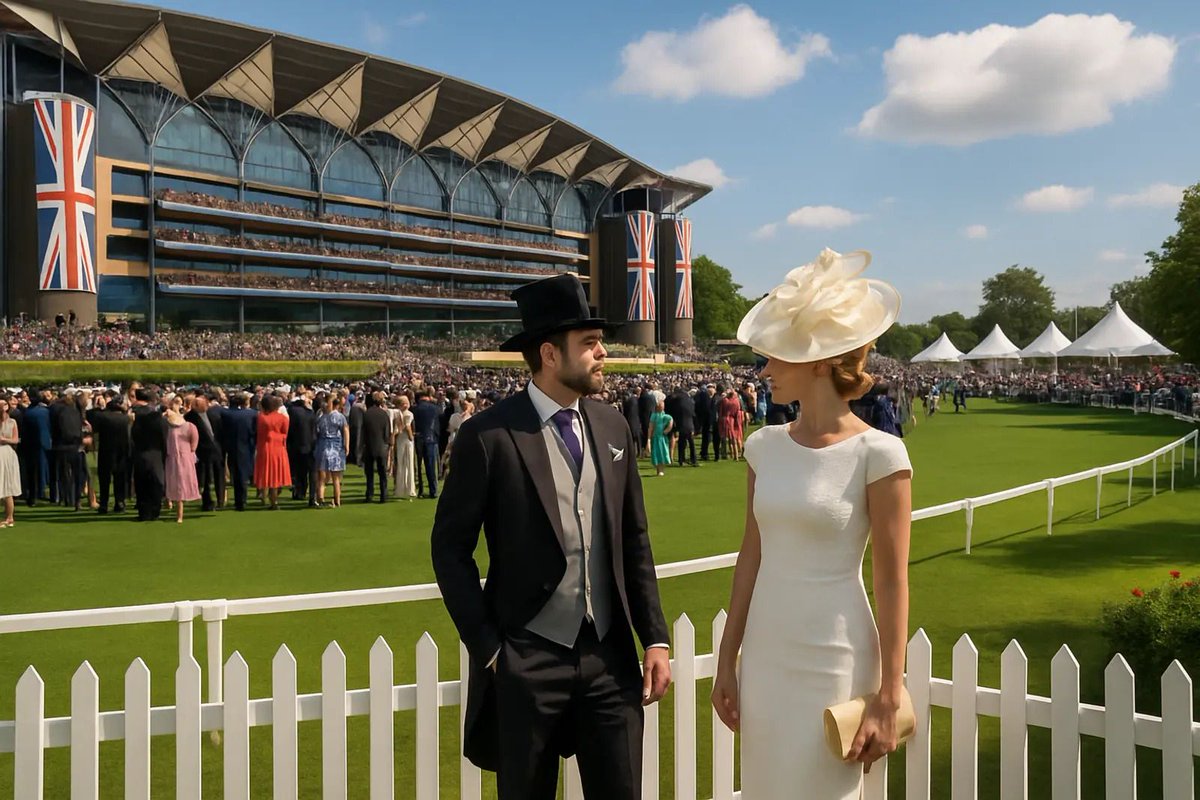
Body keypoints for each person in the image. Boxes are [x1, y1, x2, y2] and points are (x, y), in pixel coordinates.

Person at [432, 274, 671, 800]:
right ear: (548, 354)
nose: (602, 353)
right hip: (526, 658)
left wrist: (654, 636)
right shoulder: (488, 436)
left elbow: (634, 538)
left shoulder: (613, 427)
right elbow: (449, 549)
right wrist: (491, 648)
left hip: (610, 658)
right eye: (589, 343)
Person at [711, 249, 913, 798]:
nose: (765, 370)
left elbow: (893, 580)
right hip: (767, 655)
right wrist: (727, 660)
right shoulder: (763, 447)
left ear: (820, 361)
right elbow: (749, 558)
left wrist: (888, 696)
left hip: (837, 657)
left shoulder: (882, 454)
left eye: (777, 356)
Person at [88, 392, 131, 514]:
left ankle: (104, 504)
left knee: (104, 479)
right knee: (119, 478)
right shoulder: (125, 418)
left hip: (105, 450)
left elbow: (95, 430)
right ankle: (119, 502)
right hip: (121, 452)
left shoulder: (102, 417)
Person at [130, 388, 168, 522]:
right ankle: (155, 510)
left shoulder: (138, 419)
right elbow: (164, 438)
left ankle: (144, 512)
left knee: (141, 483)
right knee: (156, 483)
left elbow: (133, 436)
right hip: (156, 453)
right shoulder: (160, 420)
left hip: (141, 453)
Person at [164, 394, 200, 523]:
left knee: (180, 485)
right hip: (171, 456)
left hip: (184, 458)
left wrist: (189, 453)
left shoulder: (189, 425)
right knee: (172, 482)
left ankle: (179, 515)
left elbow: (194, 443)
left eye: (179, 403)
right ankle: (169, 501)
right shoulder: (165, 423)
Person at [253, 394, 291, 510]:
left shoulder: (260, 417)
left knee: (265, 472)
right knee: (276, 475)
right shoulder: (283, 418)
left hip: (265, 447)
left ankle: (263, 496)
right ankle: (274, 501)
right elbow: (285, 433)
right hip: (279, 447)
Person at [221, 392, 257, 511]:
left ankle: (239, 500)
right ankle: (242, 500)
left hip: (232, 447)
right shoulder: (252, 414)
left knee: (236, 475)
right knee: (242, 475)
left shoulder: (227, 414)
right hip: (247, 446)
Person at [314, 393, 348, 507]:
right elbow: (345, 430)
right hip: (336, 446)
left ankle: (320, 498)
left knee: (322, 477)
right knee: (336, 478)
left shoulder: (321, 416)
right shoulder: (339, 416)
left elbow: (317, 431)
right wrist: (346, 445)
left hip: (323, 445)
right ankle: (337, 499)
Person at [286, 393, 317, 505]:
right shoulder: (310, 413)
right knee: (312, 472)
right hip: (310, 445)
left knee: (298, 472)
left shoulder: (292, 412)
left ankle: (298, 492)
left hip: (295, 446)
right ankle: (312, 497)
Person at [361, 392, 391, 503]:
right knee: (382, 473)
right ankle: (383, 495)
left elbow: (363, 432)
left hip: (369, 446)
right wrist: (386, 443)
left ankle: (369, 494)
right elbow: (387, 432)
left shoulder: (366, 414)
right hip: (381, 446)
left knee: (369, 474)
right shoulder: (384, 414)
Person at [412, 387, 441, 499]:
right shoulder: (435, 408)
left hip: (418, 437)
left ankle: (420, 490)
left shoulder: (414, 409)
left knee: (418, 465)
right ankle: (433, 490)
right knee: (430, 466)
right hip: (431, 438)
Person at [0, 398, 22, 527]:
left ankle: (9, 517)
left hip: (7, 453)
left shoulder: (12, 422)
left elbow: (15, 440)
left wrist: (4, 439)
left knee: (7, 485)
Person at [391, 394, 416, 500]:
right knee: (409, 462)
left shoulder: (397, 414)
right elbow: (408, 426)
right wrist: (411, 437)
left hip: (400, 439)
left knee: (401, 463)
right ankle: (410, 488)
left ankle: (400, 488)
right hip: (406, 440)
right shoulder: (408, 414)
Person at [648, 398, 674, 477]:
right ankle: (658, 469)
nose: (662, 407)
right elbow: (651, 427)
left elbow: (670, 420)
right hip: (655, 437)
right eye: (661, 405)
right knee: (657, 453)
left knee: (663, 452)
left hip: (662, 437)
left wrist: (667, 430)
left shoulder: (664, 415)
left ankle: (661, 469)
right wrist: (649, 438)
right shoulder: (654, 415)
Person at [718, 388, 744, 461]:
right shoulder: (737, 401)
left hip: (726, 419)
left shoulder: (724, 401)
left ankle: (732, 454)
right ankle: (736, 455)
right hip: (734, 419)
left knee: (728, 438)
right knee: (735, 438)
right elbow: (738, 411)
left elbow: (721, 411)